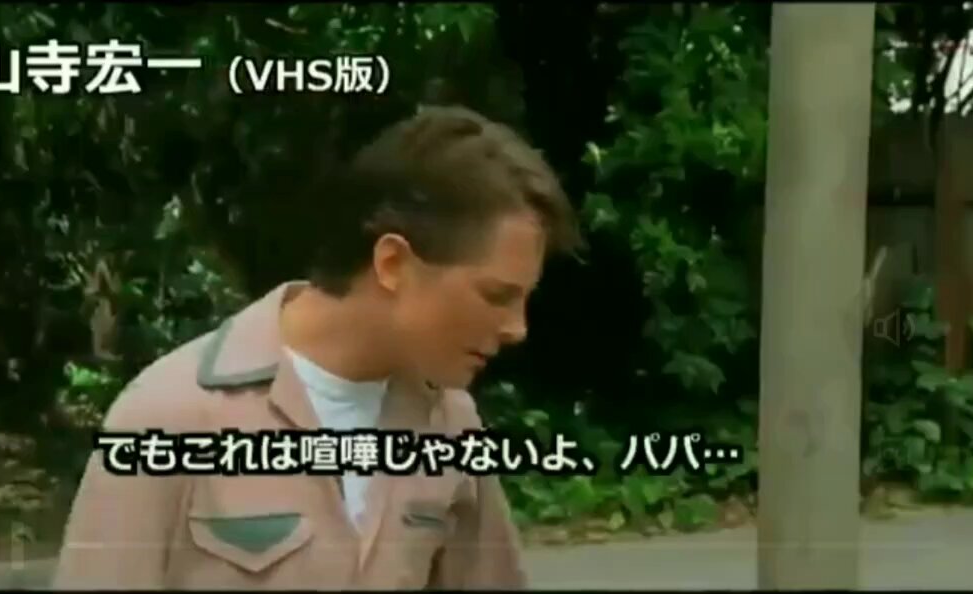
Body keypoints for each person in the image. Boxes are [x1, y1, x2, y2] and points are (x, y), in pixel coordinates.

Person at [52, 105, 581, 590]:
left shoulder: (449, 424)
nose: (517, 328)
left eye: (524, 300)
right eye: (495, 296)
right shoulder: (169, 416)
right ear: (393, 263)